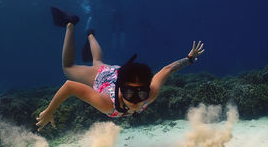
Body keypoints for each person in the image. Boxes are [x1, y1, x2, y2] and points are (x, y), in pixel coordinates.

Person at [36, 7, 204, 131]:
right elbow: (69, 85)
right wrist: (49, 111)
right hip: (101, 76)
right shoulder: (107, 104)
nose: (137, 102)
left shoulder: (149, 94)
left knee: (98, 61)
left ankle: (89, 34)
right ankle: (70, 24)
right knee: (69, 68)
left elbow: (167, 69)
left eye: (141, 94)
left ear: (147, 90)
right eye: (130, 94)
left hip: (119, 73)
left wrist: (189, 60)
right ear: (122, 91)